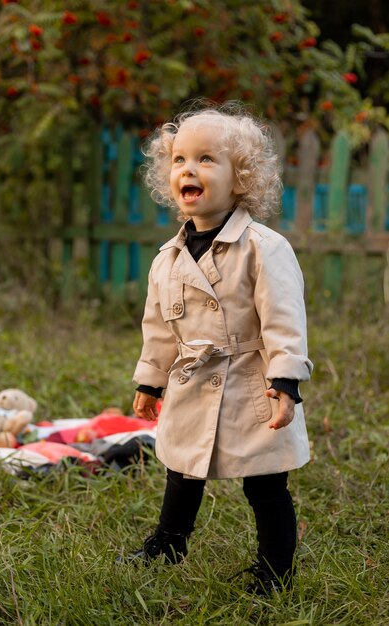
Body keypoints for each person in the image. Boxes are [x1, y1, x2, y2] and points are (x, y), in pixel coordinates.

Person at [120, 102, 313, 597]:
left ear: (240, 177)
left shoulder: (263, 247)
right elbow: (160, 326)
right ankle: (169, 542)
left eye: (207, 159)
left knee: (265, 483)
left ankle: (275, 572)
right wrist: (150, 379)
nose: (189, 168)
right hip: (191, 377)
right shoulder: (169, 257)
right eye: (180, 159)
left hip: (253, 380)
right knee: (182, 467)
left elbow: (284, 320)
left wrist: (285, 381)